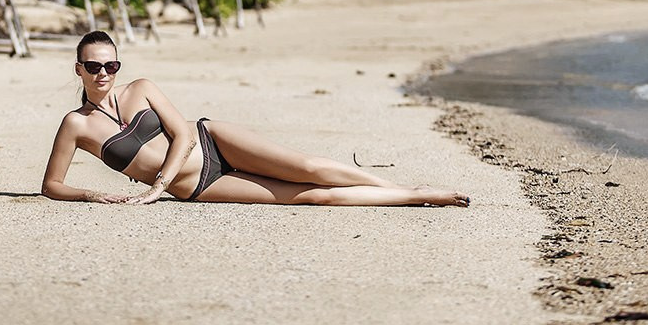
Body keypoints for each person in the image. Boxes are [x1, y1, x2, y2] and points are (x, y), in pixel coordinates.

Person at [41, 31, 471, 207]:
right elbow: (51, 185)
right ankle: (415, 199)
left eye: (110, 66)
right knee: (309, 197)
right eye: (93, 66)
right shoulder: (75, 125)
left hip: (214, 142)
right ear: (77, 68)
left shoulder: (142, 88)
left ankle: (408, 186)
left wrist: (156, 188)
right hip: (198, 185)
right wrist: (89, 196)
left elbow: (184, 134)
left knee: (311, 168)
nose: (103, 74)